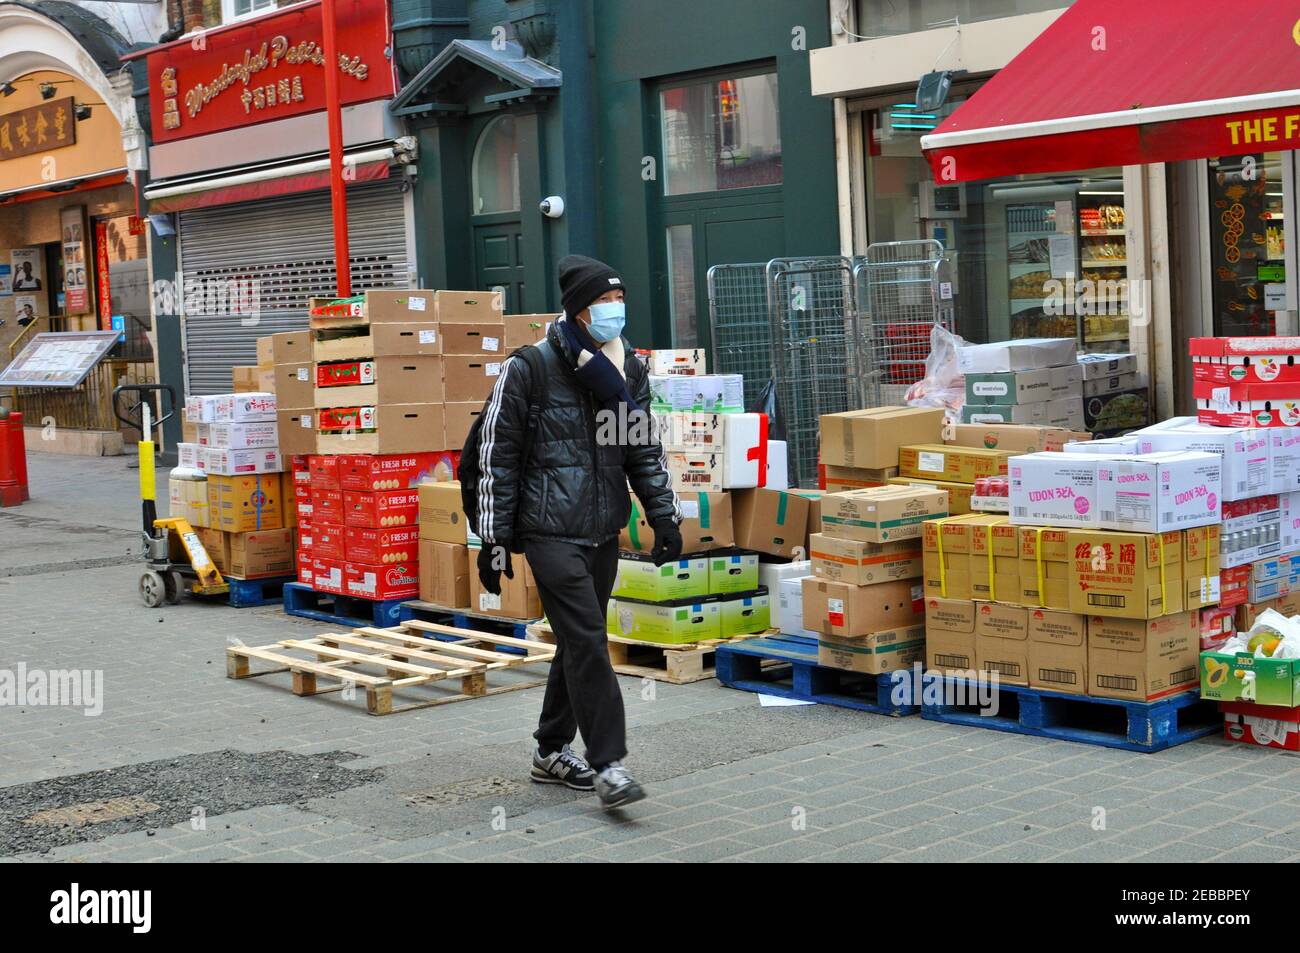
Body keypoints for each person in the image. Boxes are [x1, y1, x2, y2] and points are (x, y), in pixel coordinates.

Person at [476, 255, 682, 809]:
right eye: (605, 303)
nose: (617, 310)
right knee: (590, 639)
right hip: (548, 532)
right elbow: (499, 458)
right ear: (579, 311)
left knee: (576, 641)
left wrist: (663, 514)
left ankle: (549, 750)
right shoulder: (532, 369)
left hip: (601, 531)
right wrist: (494, 540)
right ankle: (610, 764)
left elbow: (640, 447)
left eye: (620, 300)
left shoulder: (622, 369)